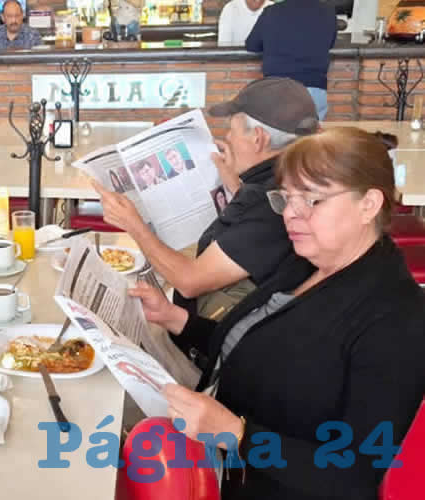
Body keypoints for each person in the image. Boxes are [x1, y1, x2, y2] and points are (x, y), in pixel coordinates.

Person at [131, 127, 425, 499]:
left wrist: (237, 434)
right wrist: (179, 320)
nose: (291, 214)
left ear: (368, 204)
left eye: (312, 199)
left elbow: (355, 473)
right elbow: (258, 347)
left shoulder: (396, 318)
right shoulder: (310, 261)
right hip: (215, 455)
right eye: (285, 198)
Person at [93, 77, 318, 327]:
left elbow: (190, 281)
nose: (228, 138)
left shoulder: (272, 204)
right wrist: (236, 184)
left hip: (213, 338)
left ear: (258, 138)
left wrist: (133, 225)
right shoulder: (294, 178)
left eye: (232, 130)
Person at [245, 0, 337, 119]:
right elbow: (330, 43)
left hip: (277, 90)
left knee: (278, 136)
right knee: (311, 137)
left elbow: (251, 45)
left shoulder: (272, 11)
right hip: (314, 90)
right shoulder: (328, 11)